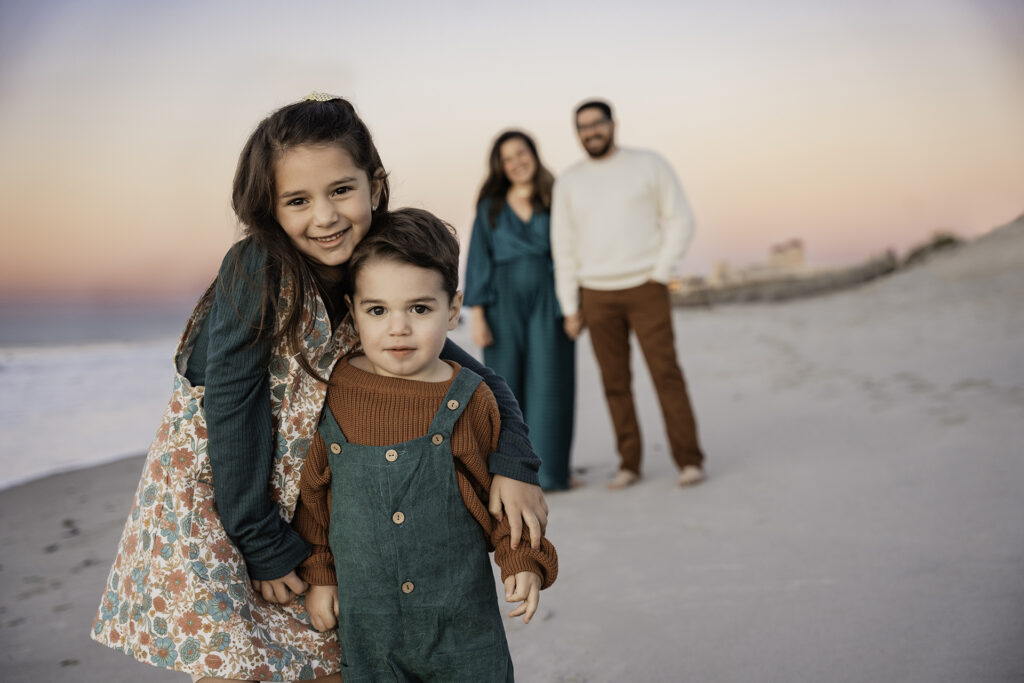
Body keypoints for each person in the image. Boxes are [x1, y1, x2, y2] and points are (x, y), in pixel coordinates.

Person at [90, 94, 550, 682]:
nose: (325, 217)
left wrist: (517, 461)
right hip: (229, 494)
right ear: (269, 208)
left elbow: (476, 376)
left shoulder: (374, 265)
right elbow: (231, 407)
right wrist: (258, 537)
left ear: (375, 185)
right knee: (248, 659)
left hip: (309, 496)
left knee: (325, 654)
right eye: (298, 201)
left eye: (340, 190)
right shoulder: (258, 269)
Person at [292, 208, 558, 680]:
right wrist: (320, 576)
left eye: (419, 308)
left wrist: (522, 561)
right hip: (371, 637)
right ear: (353, 310)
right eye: (378, 310)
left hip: (462, 632)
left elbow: (500, 504)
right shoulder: (333, 395)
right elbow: (314, 503)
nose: (398, 328)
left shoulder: (471, 400)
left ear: (452, 310)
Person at [550, 99, 707, 490]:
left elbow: (680, 219)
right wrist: (571, 306)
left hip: (646, 287)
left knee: (665, 374)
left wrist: (661, 272)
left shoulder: (649, 164)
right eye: (583, 128)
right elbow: (563, 247)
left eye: (597, 124)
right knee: (614, 382)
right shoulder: (569, 182)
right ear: (577, 134)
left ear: (613, 124)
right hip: (596, 293)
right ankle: (629, 464)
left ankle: (689, 461)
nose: (591, 132)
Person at [464, 130, 576, 490]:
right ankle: (512, 474)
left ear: (534, 154)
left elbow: (572, 251)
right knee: (504, 387)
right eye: (507, 158)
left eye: (521, 153)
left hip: (550, 299)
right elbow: (478, 259)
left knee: (550, 384)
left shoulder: (555, 198)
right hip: (501, 302)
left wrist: (574, 306)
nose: (516, 162)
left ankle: (553, 473)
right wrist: (478, 315)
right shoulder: (490, 206)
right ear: (500, 166)